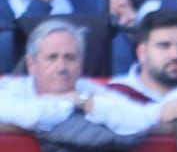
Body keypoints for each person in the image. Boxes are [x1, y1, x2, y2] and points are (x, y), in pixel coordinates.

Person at [0, 17, 150, 134]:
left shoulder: (88, 90)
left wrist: (85, 102)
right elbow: (31, 117)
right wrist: (73, 101)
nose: (61, 67)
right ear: (31, 64)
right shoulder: (9, 89)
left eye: (70, 58)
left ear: (81, 63)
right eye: (52, 58)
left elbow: (140, 120)